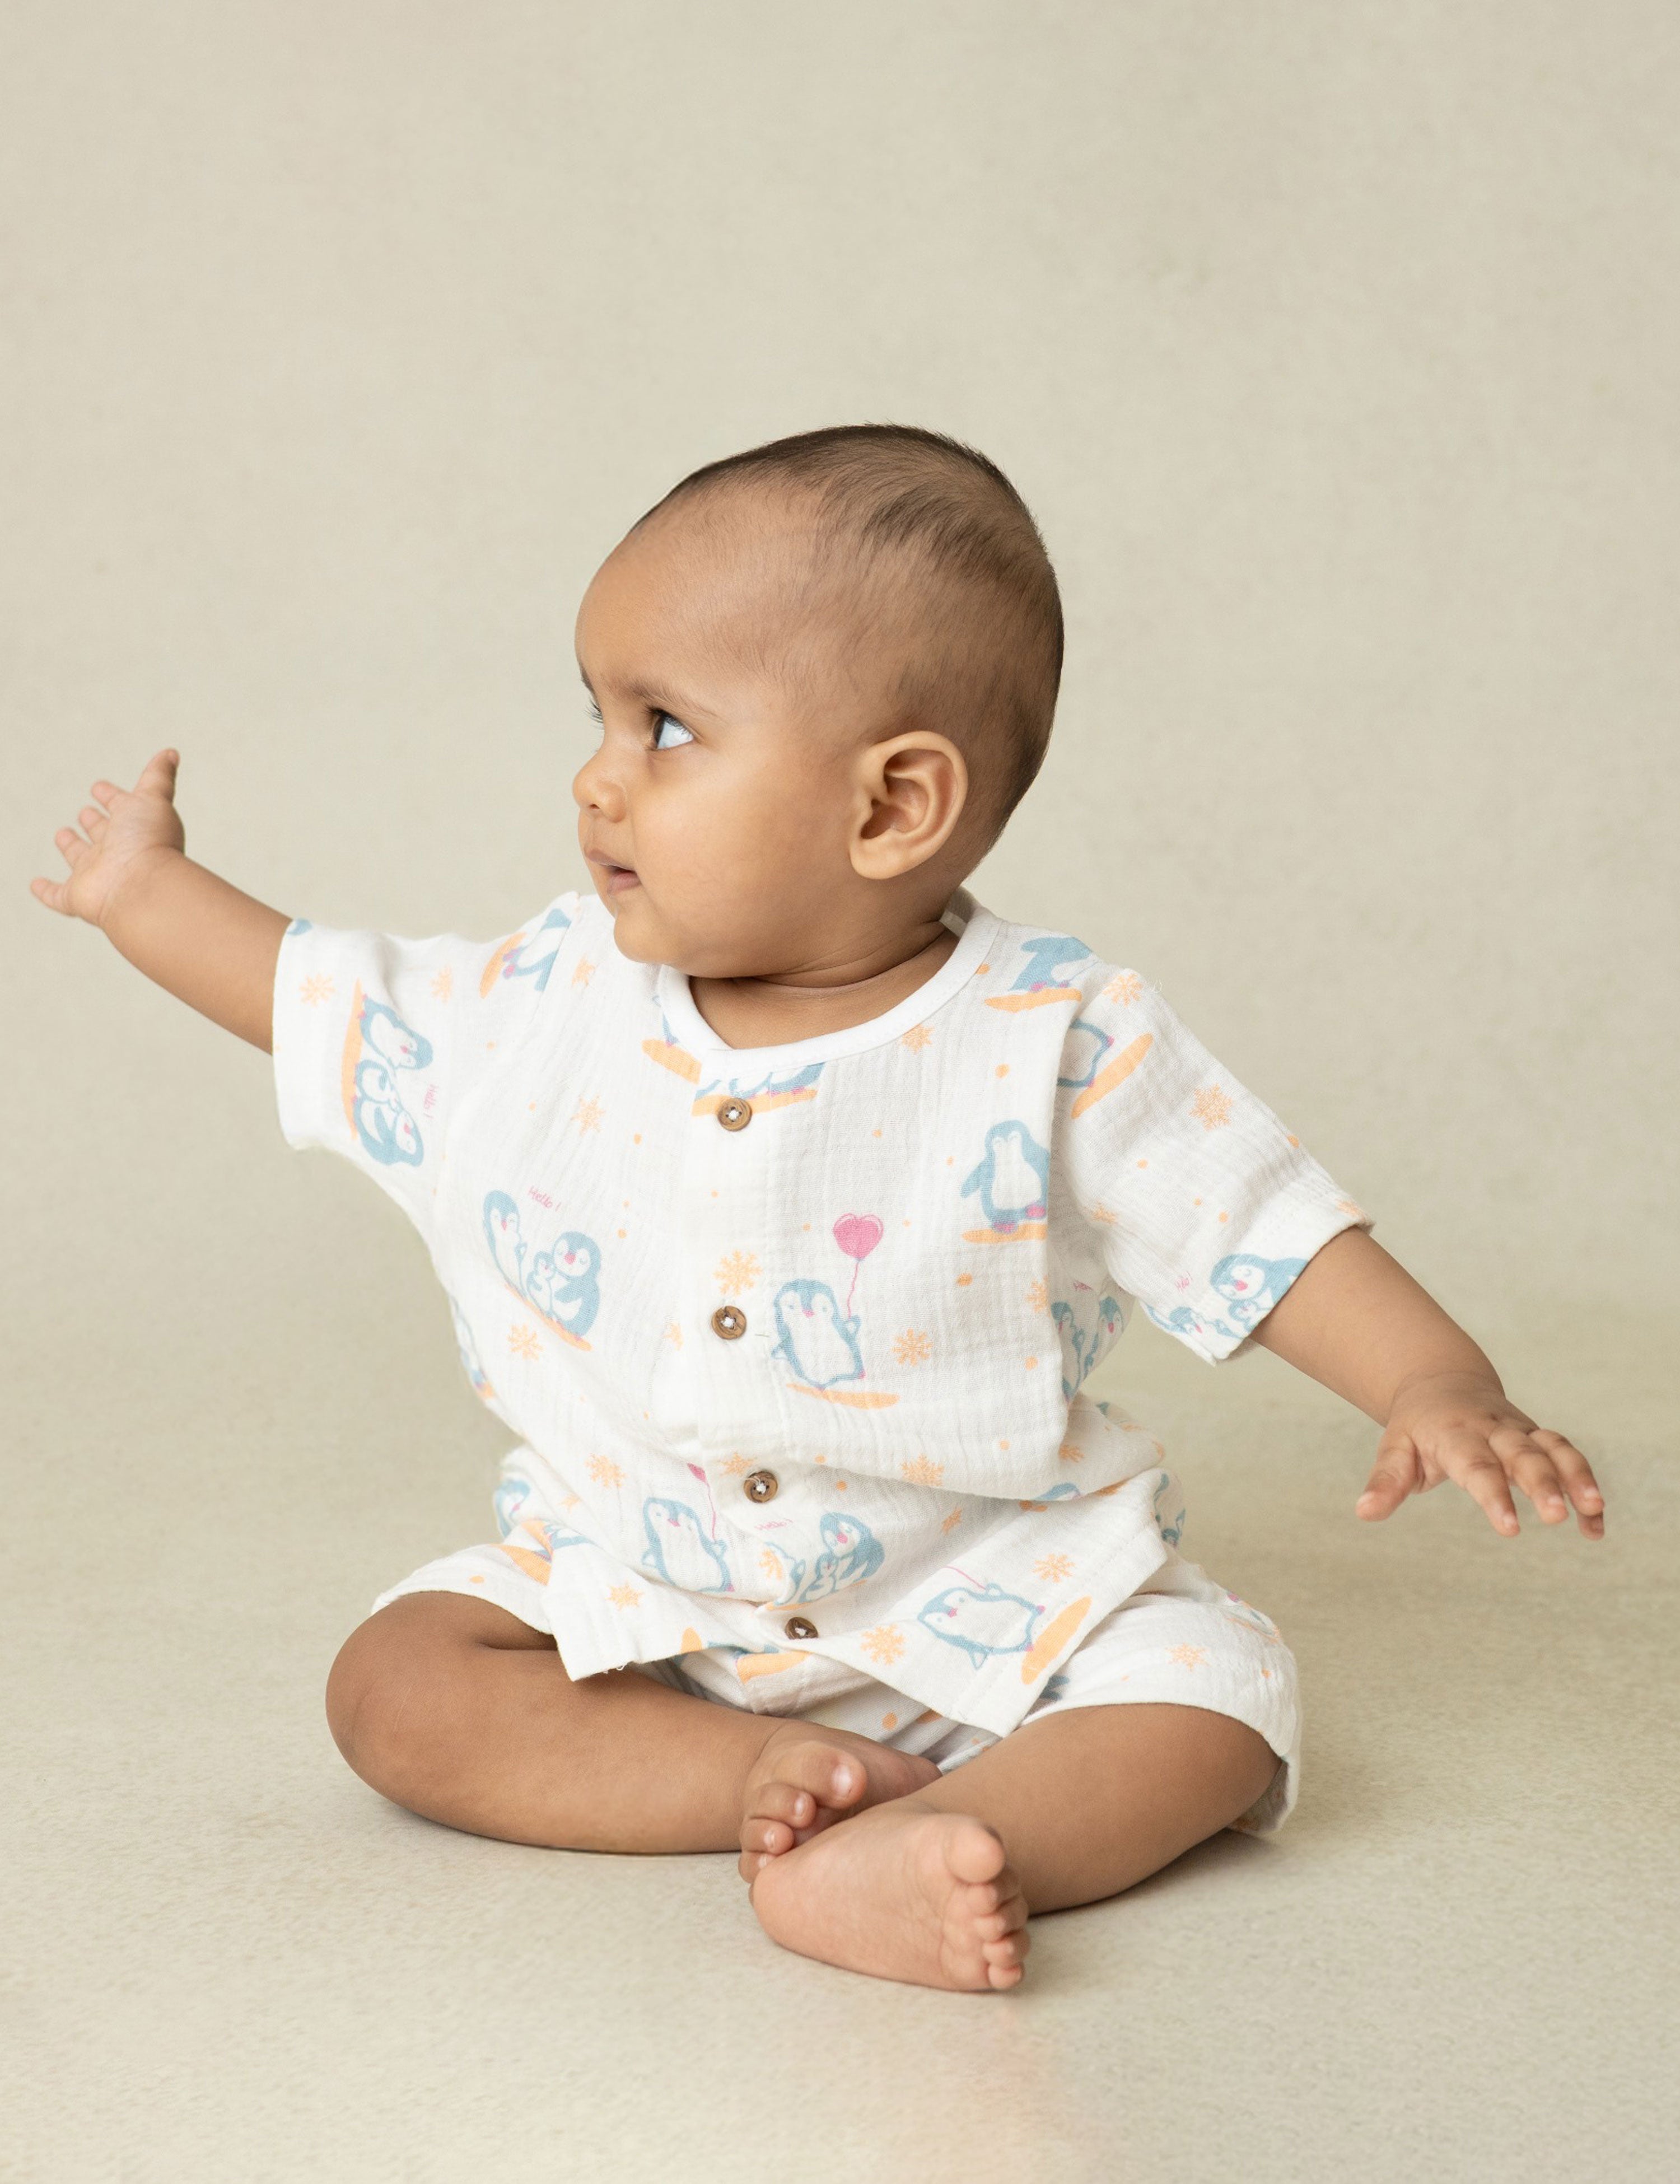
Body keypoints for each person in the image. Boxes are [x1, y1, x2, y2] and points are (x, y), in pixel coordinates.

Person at [30, 424, 1604, 1994]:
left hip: (995, 1608)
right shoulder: (548, 1000)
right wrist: (145, 894)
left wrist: (1433, 1381)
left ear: (892, 805)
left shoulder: (1054, 1039)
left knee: (1220, 1696)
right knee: (397, 1685)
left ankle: (944, 1839)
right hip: (646, 1600)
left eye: (664, 728)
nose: (595, 778)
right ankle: (763, 1785)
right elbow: (329, 1002)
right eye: (596, 715)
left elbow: (1257, 1223)